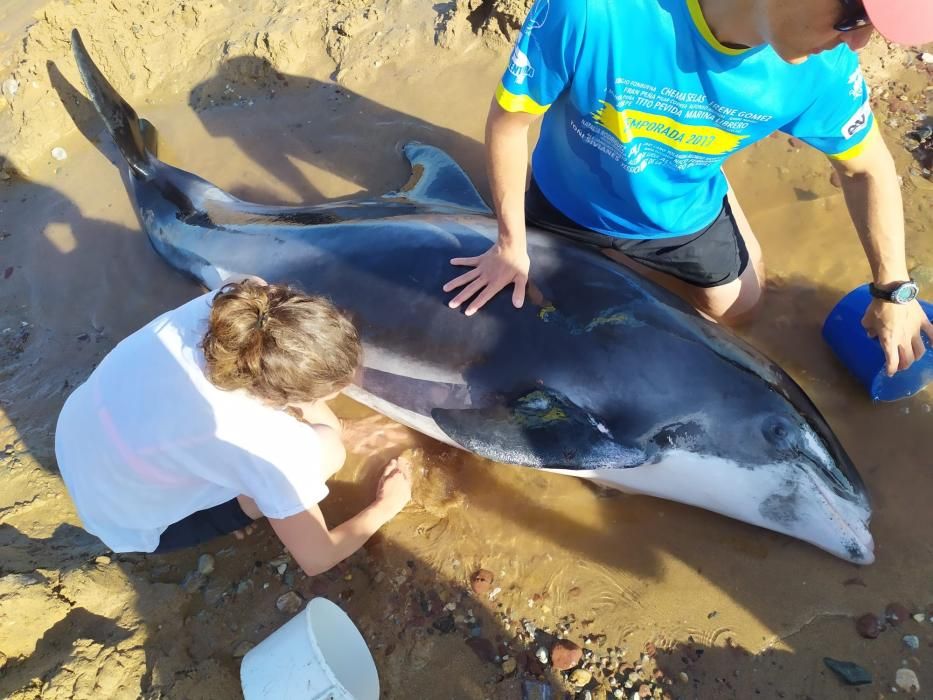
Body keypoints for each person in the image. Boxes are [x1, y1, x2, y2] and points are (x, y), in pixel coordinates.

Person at [443, 0, 933, 377]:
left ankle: (717, 195)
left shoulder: (822, 72)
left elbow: (867, 170)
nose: (862, 44)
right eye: (853, 18)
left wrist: (894, 291)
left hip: (681, 216)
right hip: (564, 203)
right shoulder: (592, 11)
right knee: (528, 333)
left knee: (743, 313)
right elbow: (510, 123)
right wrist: (510, 245)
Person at [55, 278, 412, 576]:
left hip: (81, 434)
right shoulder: (268, 444)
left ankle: (248, 489)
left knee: (289, 452)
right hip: (125, 522)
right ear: (283, 398)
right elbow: (318, 558)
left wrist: (314, 402)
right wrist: (387, 505)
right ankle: (234, 511)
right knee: (331, 452)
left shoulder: (241, 301)